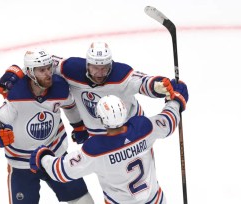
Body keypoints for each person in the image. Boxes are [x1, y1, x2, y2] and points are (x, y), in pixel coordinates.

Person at [29, 79, 188, 204]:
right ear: (124, 111)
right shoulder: (143, 128)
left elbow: (62, 171)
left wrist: (43, 157)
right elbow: (168, 121)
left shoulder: (96, 149)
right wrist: (176, 101)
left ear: (101, 119)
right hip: (155, 201)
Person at [0, 42, 173, 143]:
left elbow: (142, 81)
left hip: (130, 127)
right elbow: (39, 64)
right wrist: (14, 72)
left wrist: (157, 86)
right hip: (97, 135)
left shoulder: (121, 75)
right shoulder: (71, 69)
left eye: (104, 68)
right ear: (87, 65)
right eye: (95, 67)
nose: (100, 73)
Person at [0, 49, 94, 203]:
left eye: (49, 68)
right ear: (30, 72)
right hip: (22, 163)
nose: (48, 73)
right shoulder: (16, 94)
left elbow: (70, 105)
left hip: (55, 155)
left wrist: (78, 126)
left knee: (83, 201)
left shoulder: (59, 87)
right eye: (42, 70)